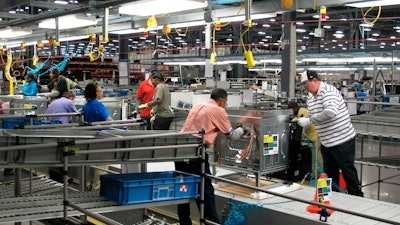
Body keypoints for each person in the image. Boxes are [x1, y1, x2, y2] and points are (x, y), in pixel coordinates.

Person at [174, 88, 244, 225]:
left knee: (184, 188)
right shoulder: (218, 110)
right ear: (222, 101)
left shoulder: (198, 105)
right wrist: (243, 129)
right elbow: (232, 135)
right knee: (206, 191)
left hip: (179, 151)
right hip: (195, 153)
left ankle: (184, 222)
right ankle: (211, 223)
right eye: (226, 103)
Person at [296, 70, 363, 197]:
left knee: (347, 170)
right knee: (330, 173)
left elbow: (330, 112)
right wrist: (304, 121)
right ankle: (334, 198)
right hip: (326, 142)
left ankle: (357, 198)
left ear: (314, 80)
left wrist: (309, 120)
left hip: (342, 140)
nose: (304, 87)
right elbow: (312, 114)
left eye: (306, 83)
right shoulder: (311, 97)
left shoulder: (328, 91)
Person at [82, 83, 112, 190]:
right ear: (95, 93)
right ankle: (97, 187)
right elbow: (109, 121)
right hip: (101, 138)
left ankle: (90, 185)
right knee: (101, 165)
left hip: (90, 137)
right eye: (100, 91)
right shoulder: (98, 105)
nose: (102, 93)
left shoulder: (86, 105)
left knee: (92, 163)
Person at [288, 102, 323, 178]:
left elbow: (304, 125)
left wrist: (300, 137)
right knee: (315, 158)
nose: (291, 112)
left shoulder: (302, 111)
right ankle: (315, 175)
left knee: (317, 158)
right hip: (312, 137)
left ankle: (319, 176)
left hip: (316, 136)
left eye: (291, 110)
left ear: (295, 108)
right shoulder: (299, 113)